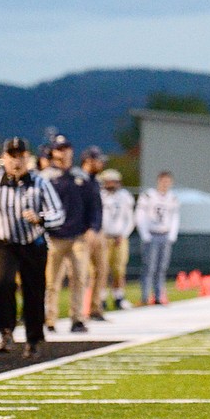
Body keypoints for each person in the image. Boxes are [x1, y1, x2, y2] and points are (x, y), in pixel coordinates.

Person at [0, 137, 64, 357]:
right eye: (12, 156)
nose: (16, 162)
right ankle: (5, 331)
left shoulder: (40, 183)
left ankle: (33, 338)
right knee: (1, 284)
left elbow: (58, 213)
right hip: (3, 241)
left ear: (27, 158)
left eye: (21, 156)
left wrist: (40, 219)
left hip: (33, 243)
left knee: (33, 291)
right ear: (4, 158)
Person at [40, 134, 101, 334]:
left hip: (78, 235)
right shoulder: (45, 178)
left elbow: (94, 205)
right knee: (51, 281)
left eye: (66, 148)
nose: (63, 152)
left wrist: (93, 227)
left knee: (80, 278)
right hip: (54, 236)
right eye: (59, 149)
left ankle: (77, 318)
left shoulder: (81, 177)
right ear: (53, 152)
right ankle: (50, 318)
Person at [135, 171, 179, 305]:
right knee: (149, 267)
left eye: (168, 181)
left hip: (164, 234)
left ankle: (159, 297)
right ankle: (144, 297)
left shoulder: (172, 198)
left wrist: (172, 234)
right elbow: (140, 214)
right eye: (163, 181)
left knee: (162, 268)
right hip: (152, 233)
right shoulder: (148, 195)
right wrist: (144, 233)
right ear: (158, 181)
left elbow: (175, 217)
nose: (165, 184)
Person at [79, 146, 109, 320]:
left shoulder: (95, 181)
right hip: (84, 232)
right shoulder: (79, 180)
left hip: (98, 231)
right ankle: (78, 311)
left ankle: (95, 309)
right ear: (89, 161)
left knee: (101, 271)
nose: (101, 163)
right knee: (81, 274)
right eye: (97, 160)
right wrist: (86, 228)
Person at [98, 168, 135, 310]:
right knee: (102, 270)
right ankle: (100, 298)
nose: (111, 184)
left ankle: (119, 297)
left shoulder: (125, 196)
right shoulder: (99, 195)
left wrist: (123, 234)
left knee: (119, 270)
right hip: (103, 237)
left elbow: (130, 219)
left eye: (114, 181)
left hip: (120, 237)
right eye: (108, 181)